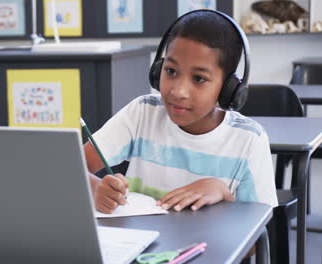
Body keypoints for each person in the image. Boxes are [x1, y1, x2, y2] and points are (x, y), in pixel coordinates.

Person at [84, 10, 278, 214]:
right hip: (142, 242)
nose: (178, 91)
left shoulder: (249, 141)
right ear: (158, 70)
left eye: (199, 79)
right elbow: (74, 164)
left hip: (212, 247)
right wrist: (95, 187)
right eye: (171, 71)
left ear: (229, 89)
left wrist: (224, 194)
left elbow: (259, 241)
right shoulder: (142, 113)